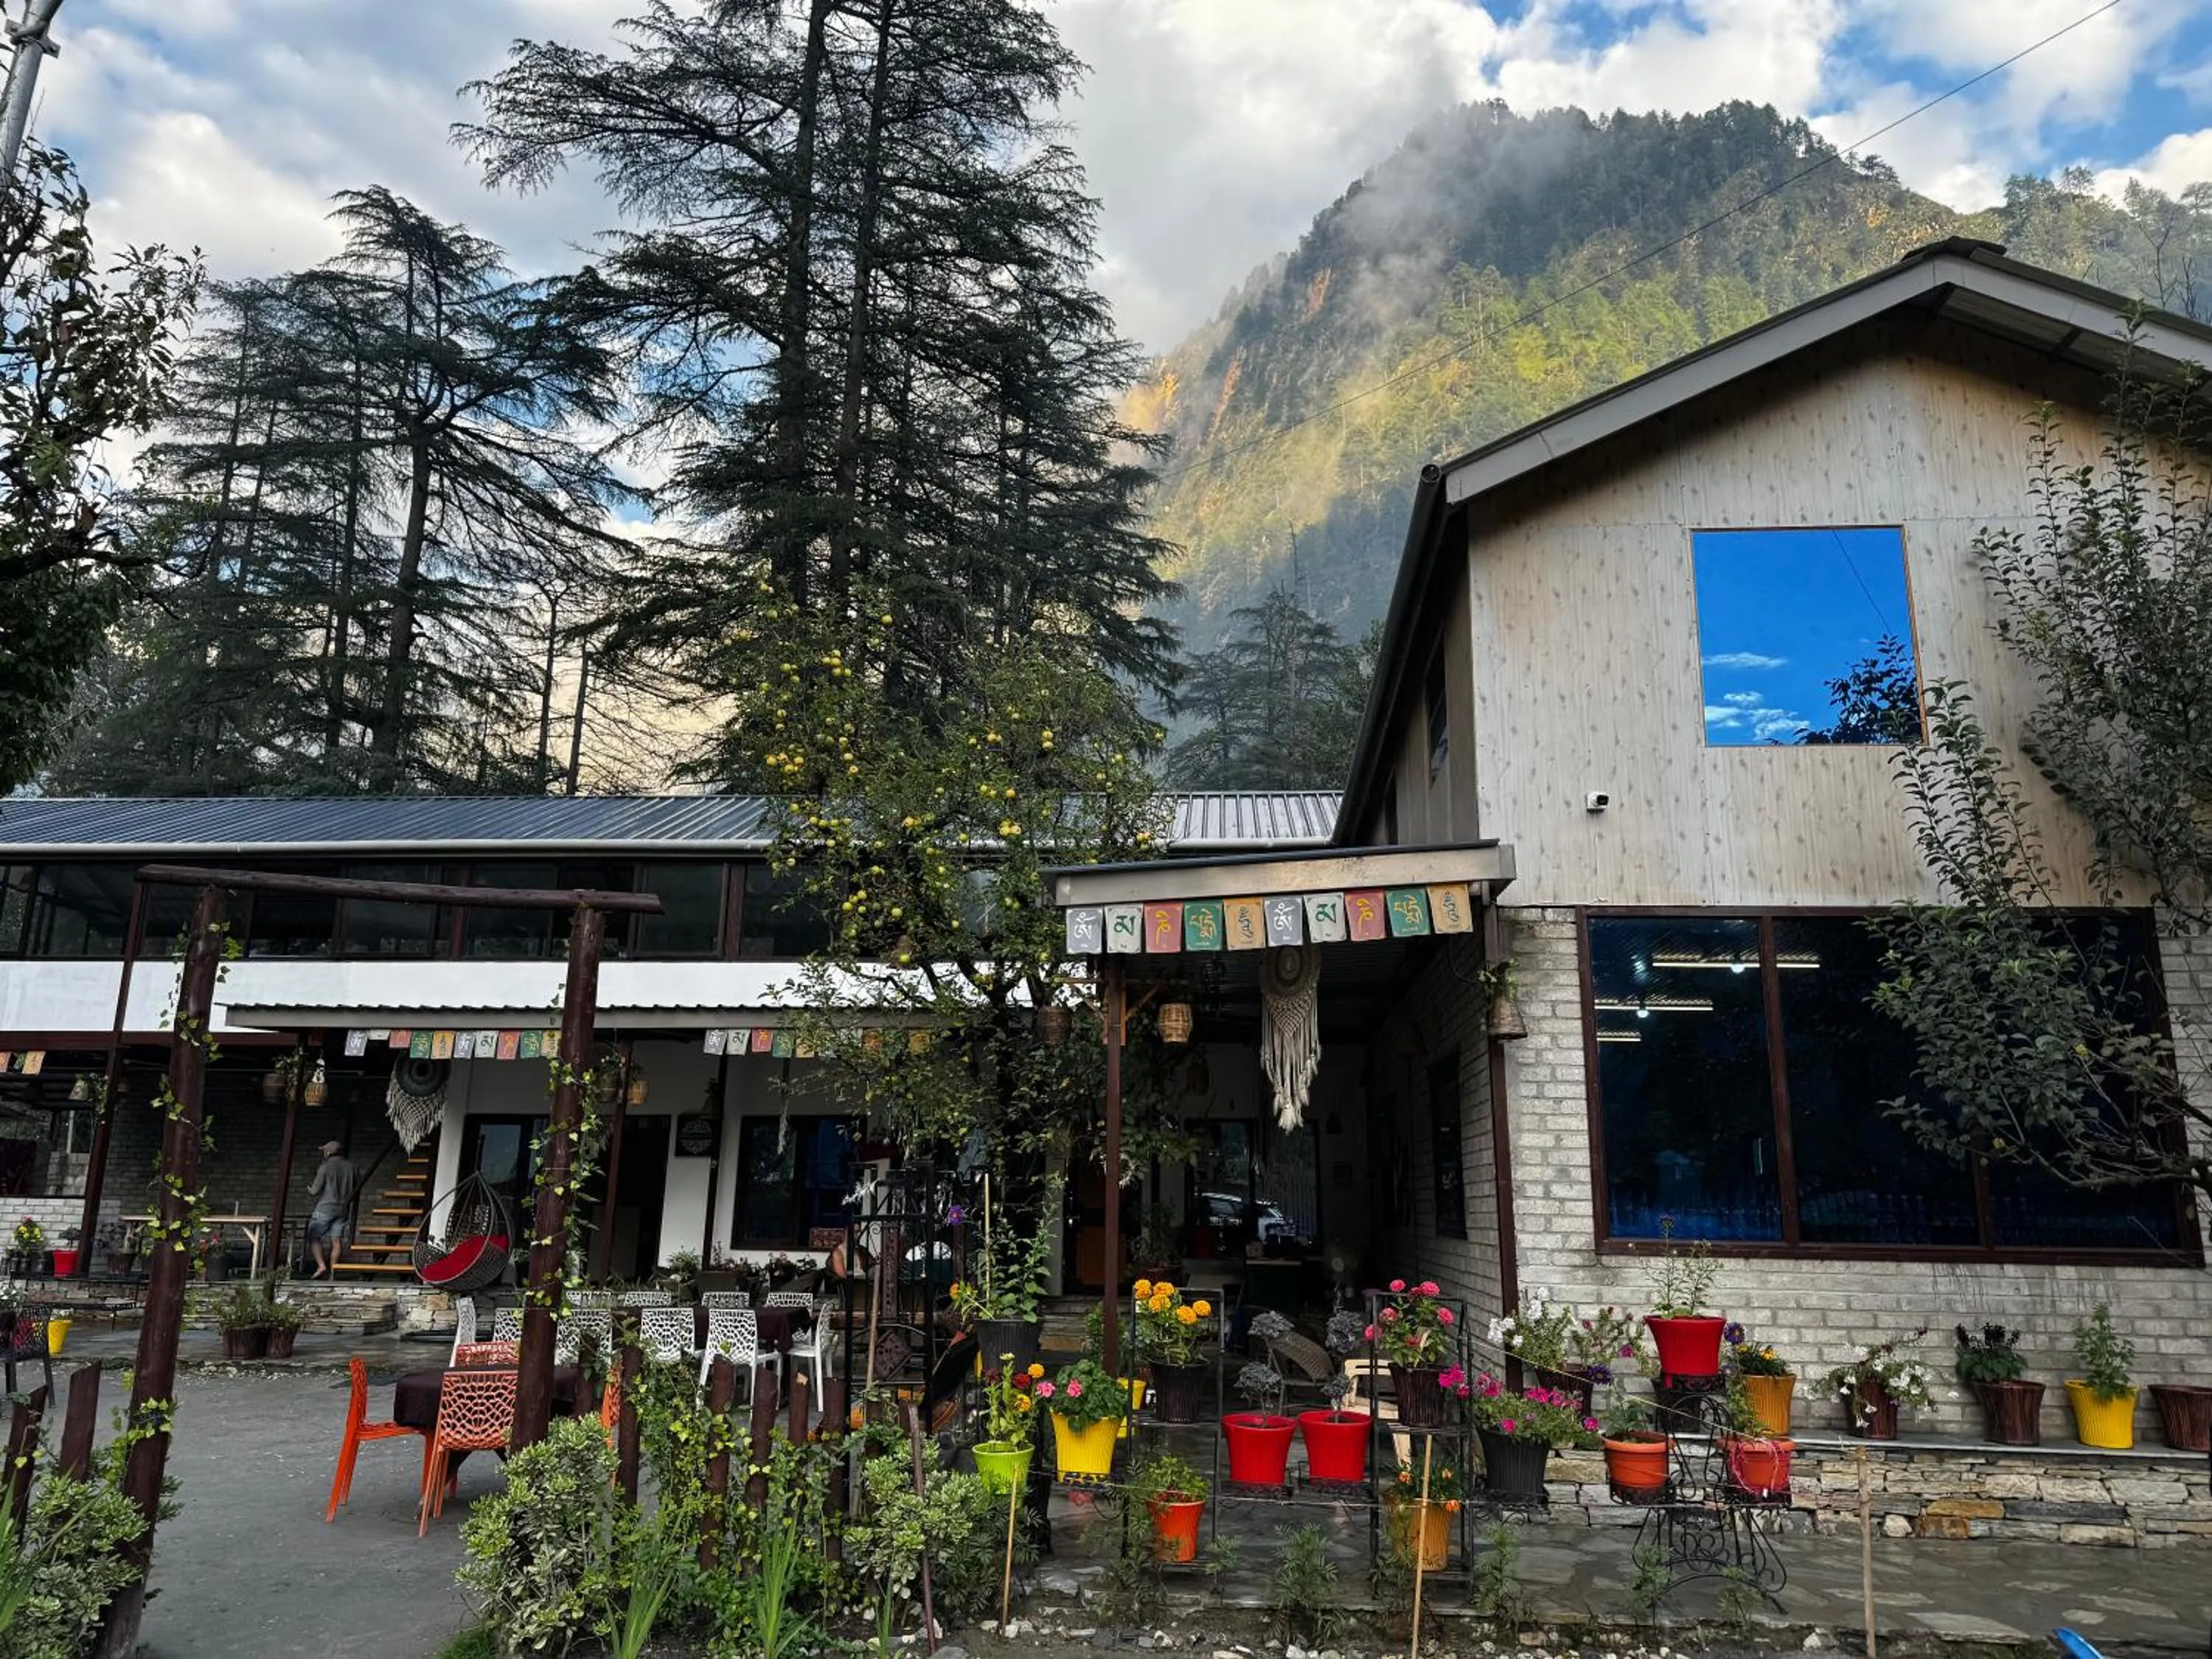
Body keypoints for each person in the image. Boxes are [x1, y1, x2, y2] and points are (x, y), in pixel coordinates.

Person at [305, 1139, 356, 1279]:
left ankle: (321, 1266)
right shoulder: (352, 1167)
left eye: (324, 1151)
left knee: (313, 1237)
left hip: (325, 1209)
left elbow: (315, 1191)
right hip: (343, 1210)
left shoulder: (325, 1167)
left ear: (328, 1153)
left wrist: (309, 1189)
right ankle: (333, 1272)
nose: (323, 1153)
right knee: (336, 1240)